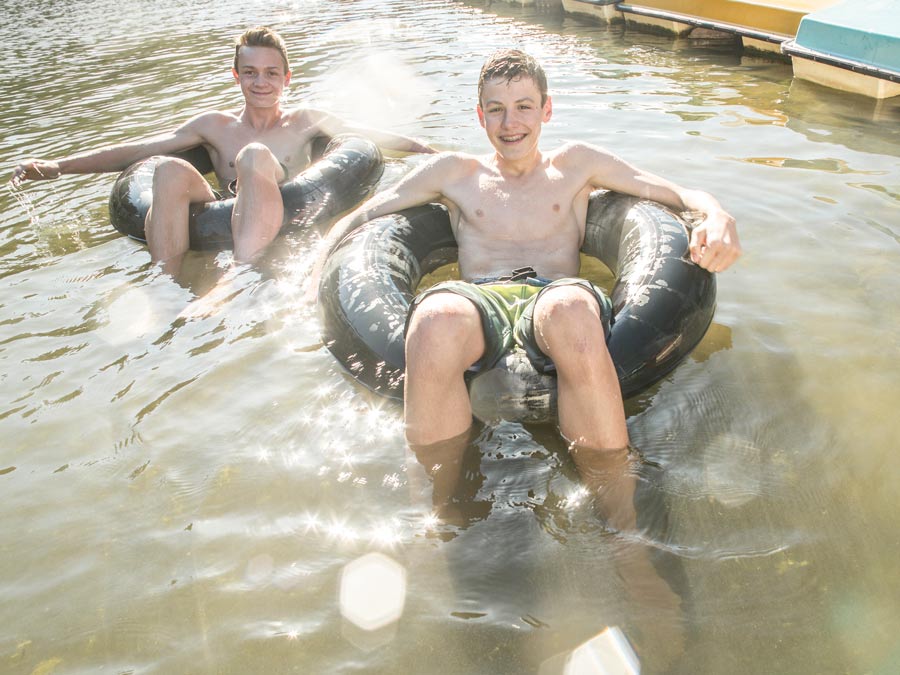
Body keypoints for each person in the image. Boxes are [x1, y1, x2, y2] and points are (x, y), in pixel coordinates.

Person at [310, 48, 741, 455]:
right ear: (480, 117)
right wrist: (315, 272)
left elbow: (672, 190)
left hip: (552, 294)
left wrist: (717, 214)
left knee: (571, 308)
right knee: (433, 319)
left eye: (523, 106)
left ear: (546, 110)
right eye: (495, 108)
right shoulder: (454, 172)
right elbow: (365, 215)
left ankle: (618, 512)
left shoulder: (575, 164)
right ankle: (437, 514)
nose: (509, 122)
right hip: (479, 301)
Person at [11, 26, 434, 276]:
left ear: (287, 78)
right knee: (167, 171)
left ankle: (242, 277)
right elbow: (140, 149)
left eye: (271, 73)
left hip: (280, 212)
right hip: (223, 209)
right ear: (236, 76)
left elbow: (365, 135)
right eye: (249, 72)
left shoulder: (306, 120)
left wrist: (422, 149)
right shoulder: (214, 126)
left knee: (253, 156)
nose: (260, 82)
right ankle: (167, 283)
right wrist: (59, 166)